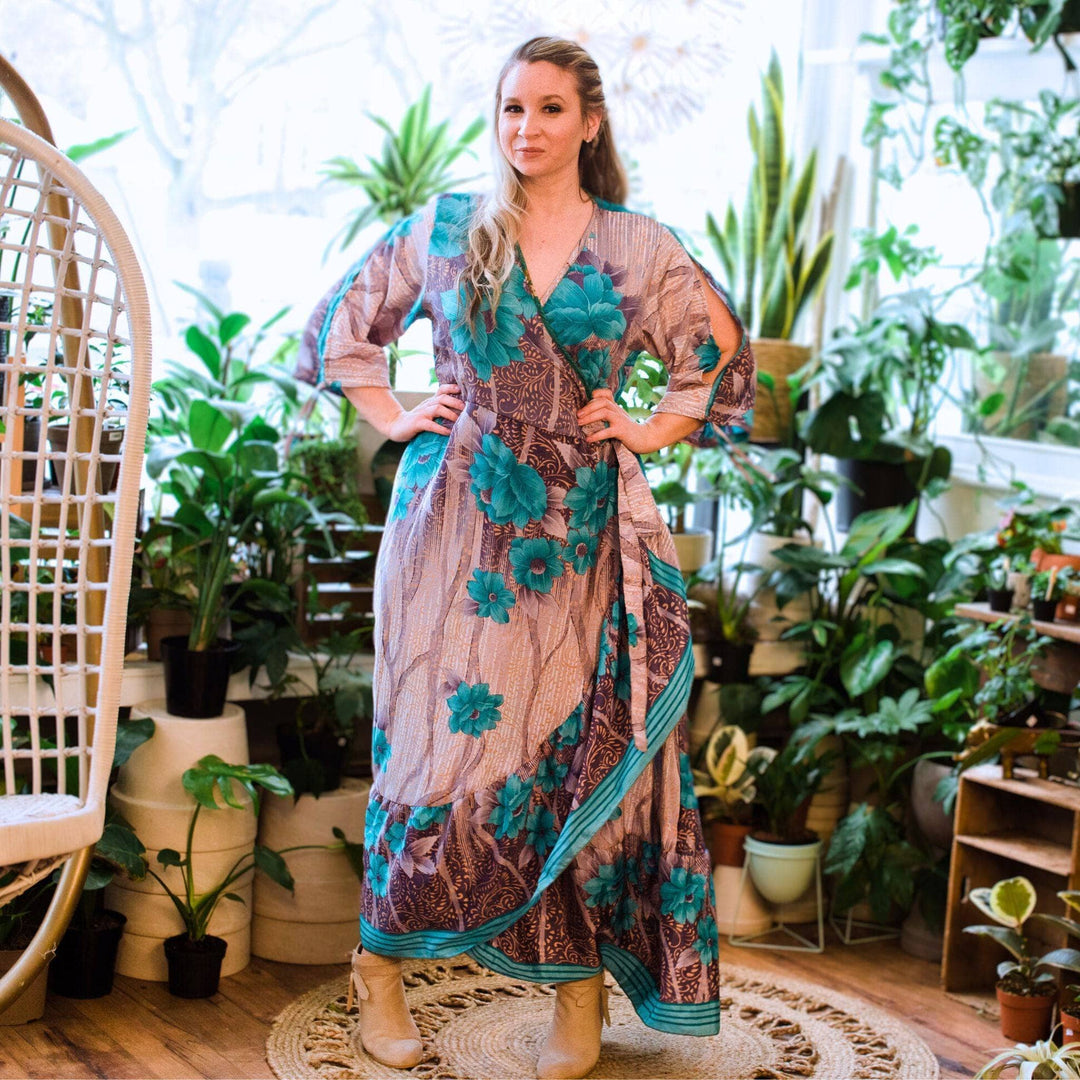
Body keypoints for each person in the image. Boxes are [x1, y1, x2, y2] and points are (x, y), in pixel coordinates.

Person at [297, 34, 755, 1080]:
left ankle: (576, 994)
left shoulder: (639, 246)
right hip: (452, 525)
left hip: (580, 531)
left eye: (550, 109)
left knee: (571, 754)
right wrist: (394, 411)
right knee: (430, 754)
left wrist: (647, 426)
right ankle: (378, 967)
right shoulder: (454, 229)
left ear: (589, 122)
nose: (526, 129)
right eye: (511, 108)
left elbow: (718, 358)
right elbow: (343, 326)